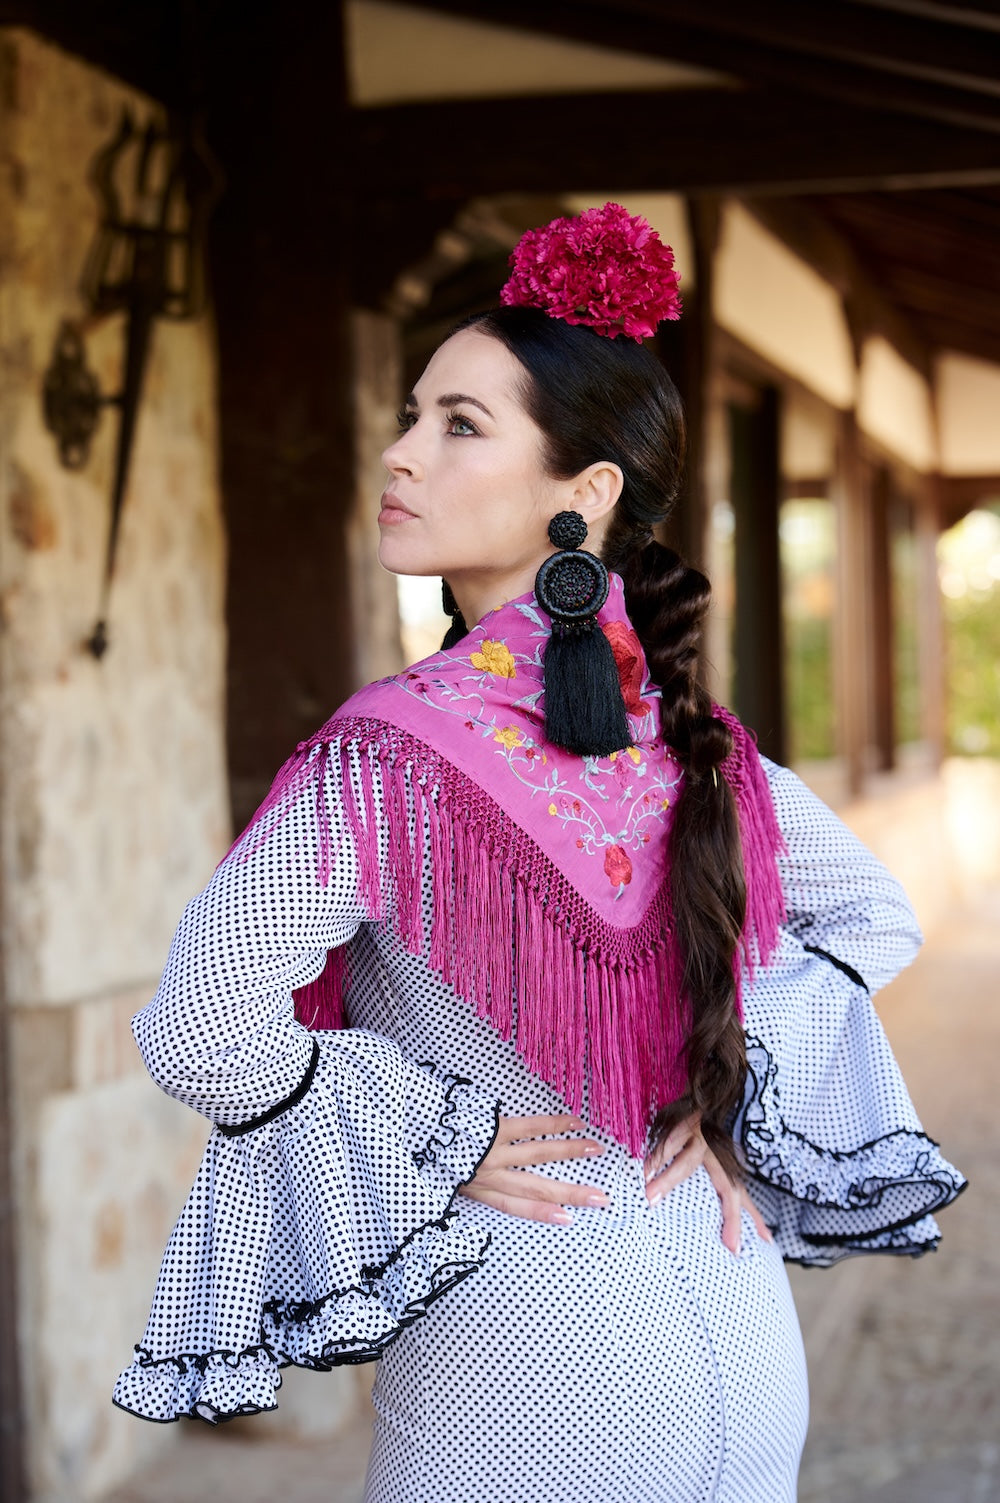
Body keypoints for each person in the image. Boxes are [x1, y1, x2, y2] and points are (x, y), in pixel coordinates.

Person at [114, 205, 965, 1502]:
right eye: (410, 415)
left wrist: (447, 1129)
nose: (399, 455)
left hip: (527, 1371)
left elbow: (199, 1032)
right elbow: (877, 920)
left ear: (588, 492)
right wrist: (725, 1091)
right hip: (734, 1338)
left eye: (459, 426)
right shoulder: (697, 737)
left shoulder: (383, 758)